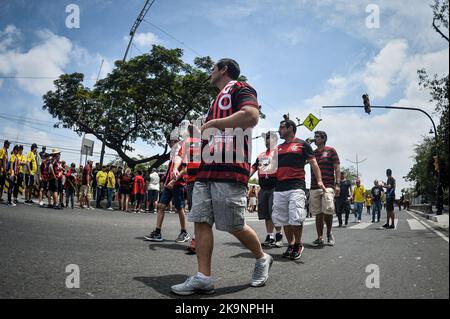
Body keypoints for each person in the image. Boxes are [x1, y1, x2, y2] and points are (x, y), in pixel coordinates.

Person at [171, 58, 271, 295]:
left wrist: (212, 124)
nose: (209, 72)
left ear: (224, 69)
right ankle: (203, 277)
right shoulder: (215, 100)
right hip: (206, 168)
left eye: (212, 68)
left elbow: (251, 116)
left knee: (234, 224)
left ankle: (262, 258)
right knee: (201, 219)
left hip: (230, 167)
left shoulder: (240, 88)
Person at [272, 117, 326, 259]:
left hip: (296, 186)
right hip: (279, 187)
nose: (279, 130)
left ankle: (298, 244)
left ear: (290, 128)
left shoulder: (303, 145)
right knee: (283, 219)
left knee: (295, 218)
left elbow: (314, 163)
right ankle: (291, 244)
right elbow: (272, 167)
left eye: (282, 127)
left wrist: (319, 180)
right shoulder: (278, 148)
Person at [144, 134, 189, 241]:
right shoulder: (172, 154)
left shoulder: (182, 151)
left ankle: (184, 232)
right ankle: (158, 232)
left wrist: (173, 181)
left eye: (172, 141)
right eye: (168, 142)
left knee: (179, 208)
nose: (170, 144)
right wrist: (166, 181)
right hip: (169, 184)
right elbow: (170, 169)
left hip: (178, 184)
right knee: (161, 206)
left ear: (178, 141)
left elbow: (185, 169)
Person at [250, 131, 283, 248]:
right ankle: (270, 236)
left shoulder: (279, 153)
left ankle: (279, 235)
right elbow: (253, 168)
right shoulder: (261, 155)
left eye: (270, 139)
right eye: (266, 140)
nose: (267, 142)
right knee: (266, 213)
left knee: (275, 212)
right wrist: (245, 178)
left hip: (275, 187)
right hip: (263, 187)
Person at [309, 131, 340, 247]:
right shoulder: (312, 152)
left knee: (328, 209)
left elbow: (337, 168)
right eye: (315, 137)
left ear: (323, 139)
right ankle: (320, 237)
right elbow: (303, 161)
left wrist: (338, 184)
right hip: (314, 186)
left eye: (317, 137)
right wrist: (306, 146)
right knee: (318, 213)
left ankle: (329, 233)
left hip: (328, 185)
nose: (315, 139)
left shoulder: (331, 150)